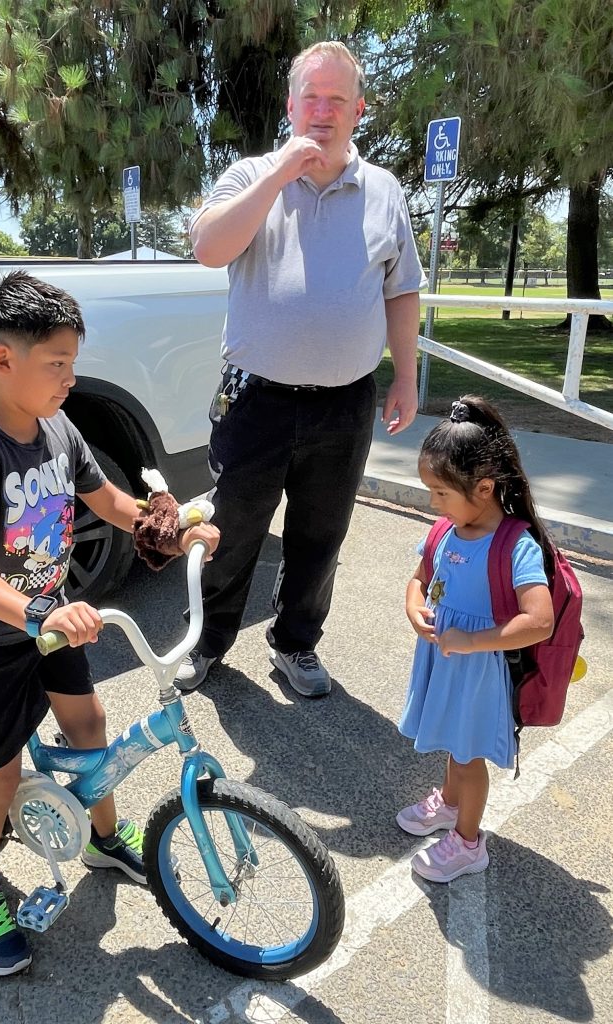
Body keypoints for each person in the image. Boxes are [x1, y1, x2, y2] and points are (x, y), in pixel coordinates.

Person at [0, 270, 219, 976]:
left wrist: (170, 533)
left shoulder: (58, 426)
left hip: (50, 623)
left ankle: (101, 839)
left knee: (89, 727)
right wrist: (39, 610)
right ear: (3, 360)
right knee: (0, 774)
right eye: (56, 364)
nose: (68, 378)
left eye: (71, 363)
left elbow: (109, 499)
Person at [178, 40, 424, 696]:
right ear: (290, 105)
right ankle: (204, 641)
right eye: (310, 97)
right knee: (231, 532)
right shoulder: (249, 176)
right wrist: (277, 175)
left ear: (357, 109)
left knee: (320, 538)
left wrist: (404, 376)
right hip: (255, 398)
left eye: (336, 99)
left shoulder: (382, 191)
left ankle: (295, 645)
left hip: (344, 403)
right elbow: (207, 248)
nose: (322, 110)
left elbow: (400, 290)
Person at [397, 396, 554, 882]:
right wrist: (413, 605)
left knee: (467, 756)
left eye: (441, 492)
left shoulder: (515, 545)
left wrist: (471, 641)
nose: (433, 503)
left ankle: (468, 842)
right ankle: (448, 803)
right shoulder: (447, 529)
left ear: (483, 487)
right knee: (452, 742)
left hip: (477, 667)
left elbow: (541, 621)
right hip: (446, 659)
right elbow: (419, 578)